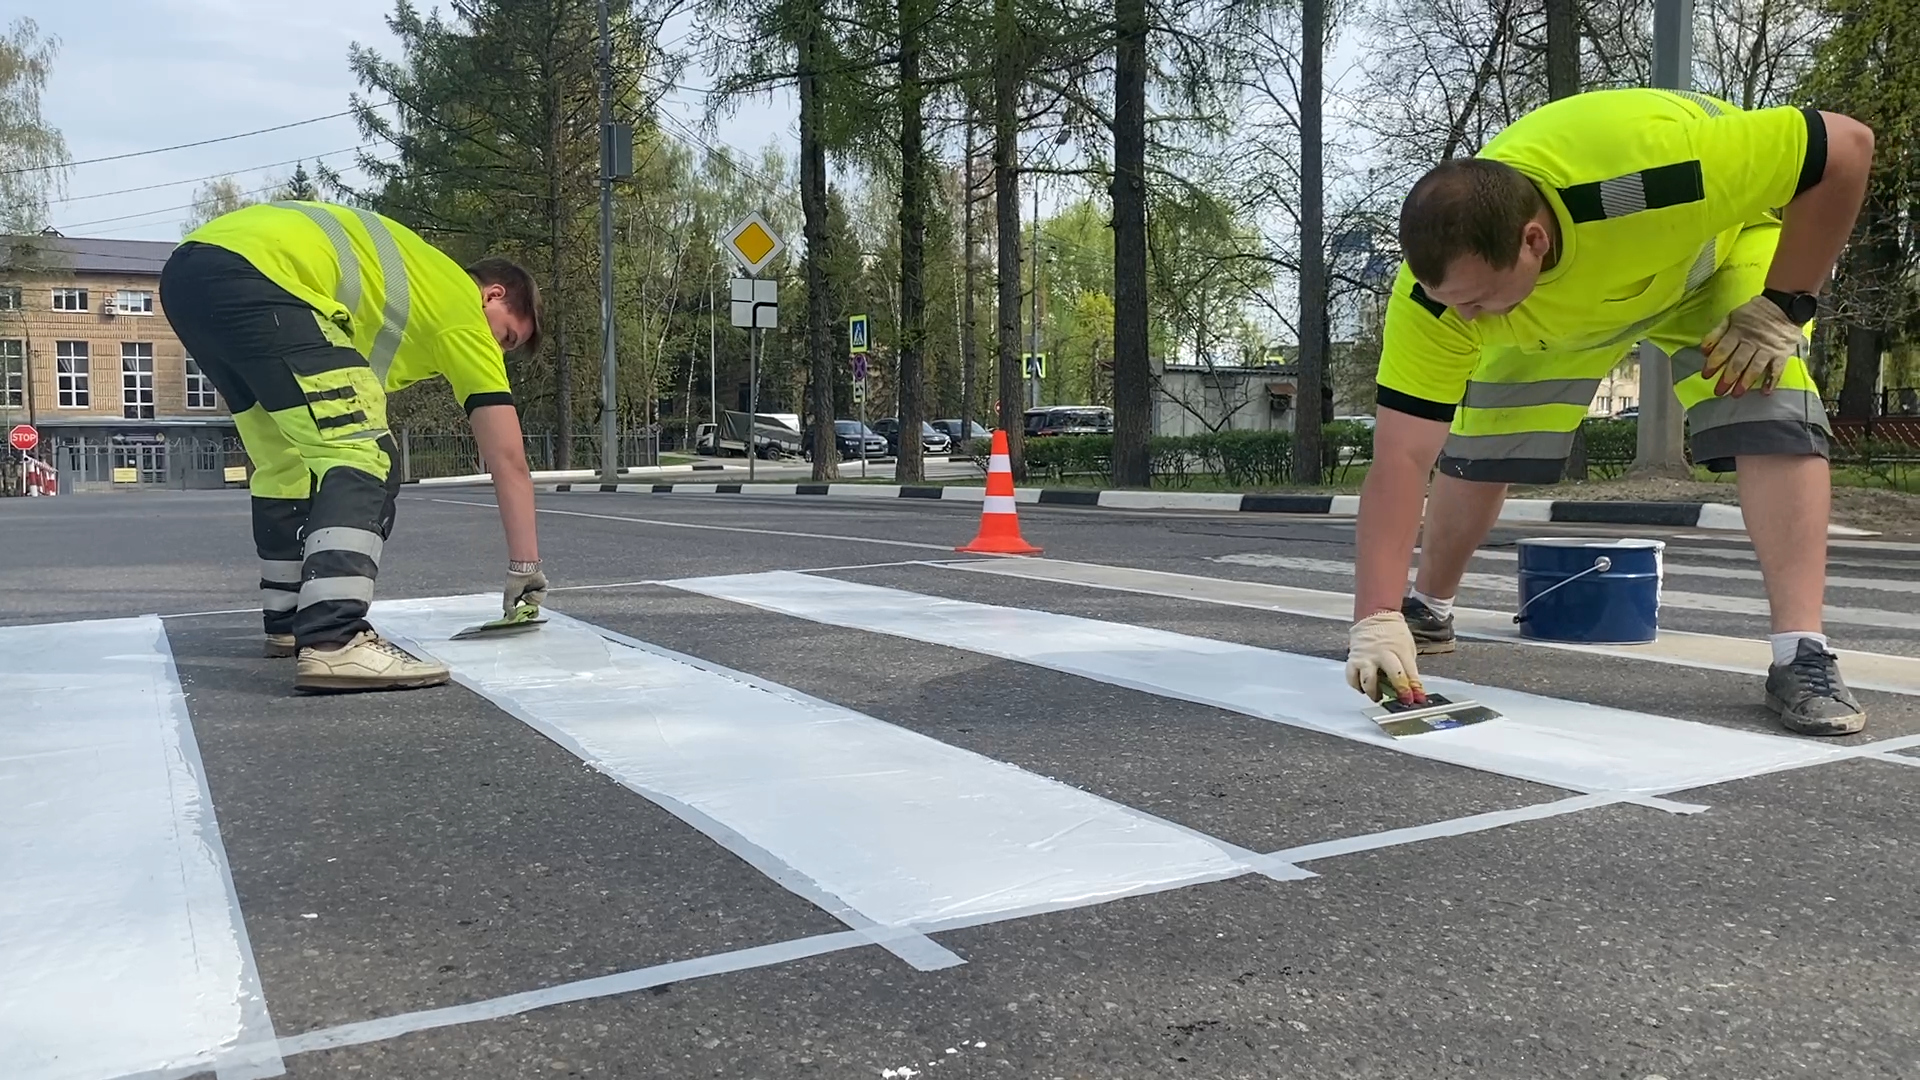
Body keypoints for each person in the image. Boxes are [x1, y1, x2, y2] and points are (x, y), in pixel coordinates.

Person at [1343, 87, 1877, 737]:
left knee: (1772, 413)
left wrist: (1787, 303)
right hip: (1553, 315)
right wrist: (1374, 614)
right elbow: (1402, 455)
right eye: (1450, 302)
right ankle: (1425, 608)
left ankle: (1803, 654)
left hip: (1707, 266)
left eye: (1474, 301)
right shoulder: (1437, 301)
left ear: (1532, 240)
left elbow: (1846, 145)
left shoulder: (1656, 172)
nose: (1461, 319)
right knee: (1481, 445)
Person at [160, 200, 549, 694]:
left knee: (289, 464)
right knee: (364, 454)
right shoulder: (460, 305)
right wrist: (526, 567)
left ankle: (286, 620)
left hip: (191, 276)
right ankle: (336, 640)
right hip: (263, 278)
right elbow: (508, 459)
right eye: (507, 337)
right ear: (493, 295)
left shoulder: (407, 294)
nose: (496, 351)